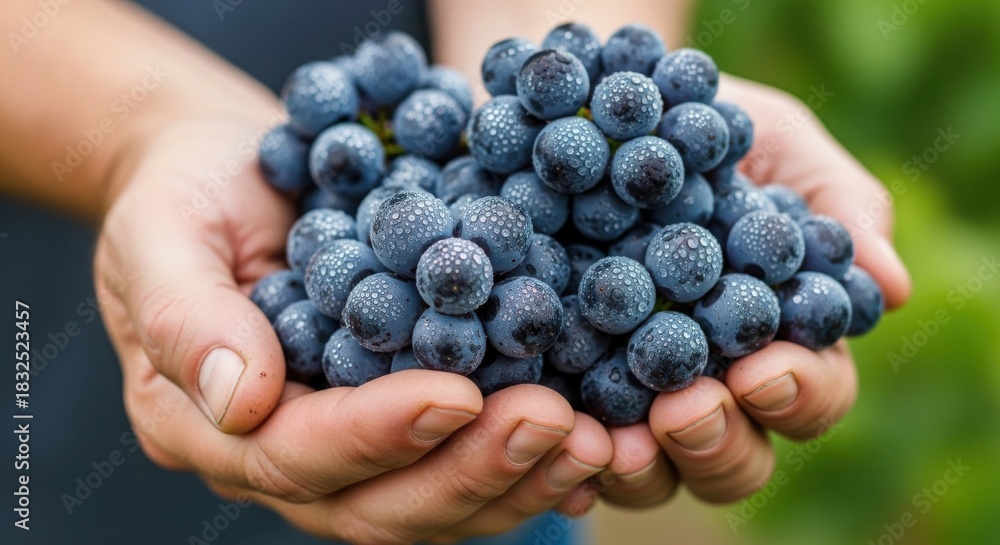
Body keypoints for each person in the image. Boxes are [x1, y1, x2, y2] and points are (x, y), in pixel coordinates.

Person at [0, 1, 911, 543]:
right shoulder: (395, 260)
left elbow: (546, 102)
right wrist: (138, 132)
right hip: (48, 381)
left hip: (505, 477)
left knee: (525, 451)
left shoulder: (513, 231)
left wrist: (541, 29)